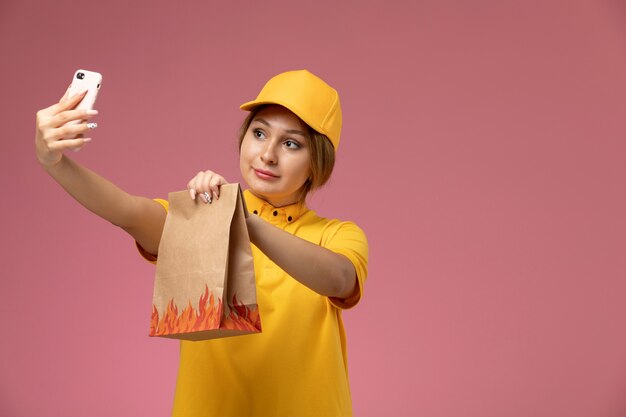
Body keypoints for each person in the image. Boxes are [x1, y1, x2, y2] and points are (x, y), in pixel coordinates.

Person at [35, 69, 369, 416]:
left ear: (317, 163)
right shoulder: (203, 219)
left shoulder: (338, 235)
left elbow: (339, 279)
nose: (268, 154)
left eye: (291, 143)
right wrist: (54, 163)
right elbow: (128, 212)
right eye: (259, 133)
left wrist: (244, 221)